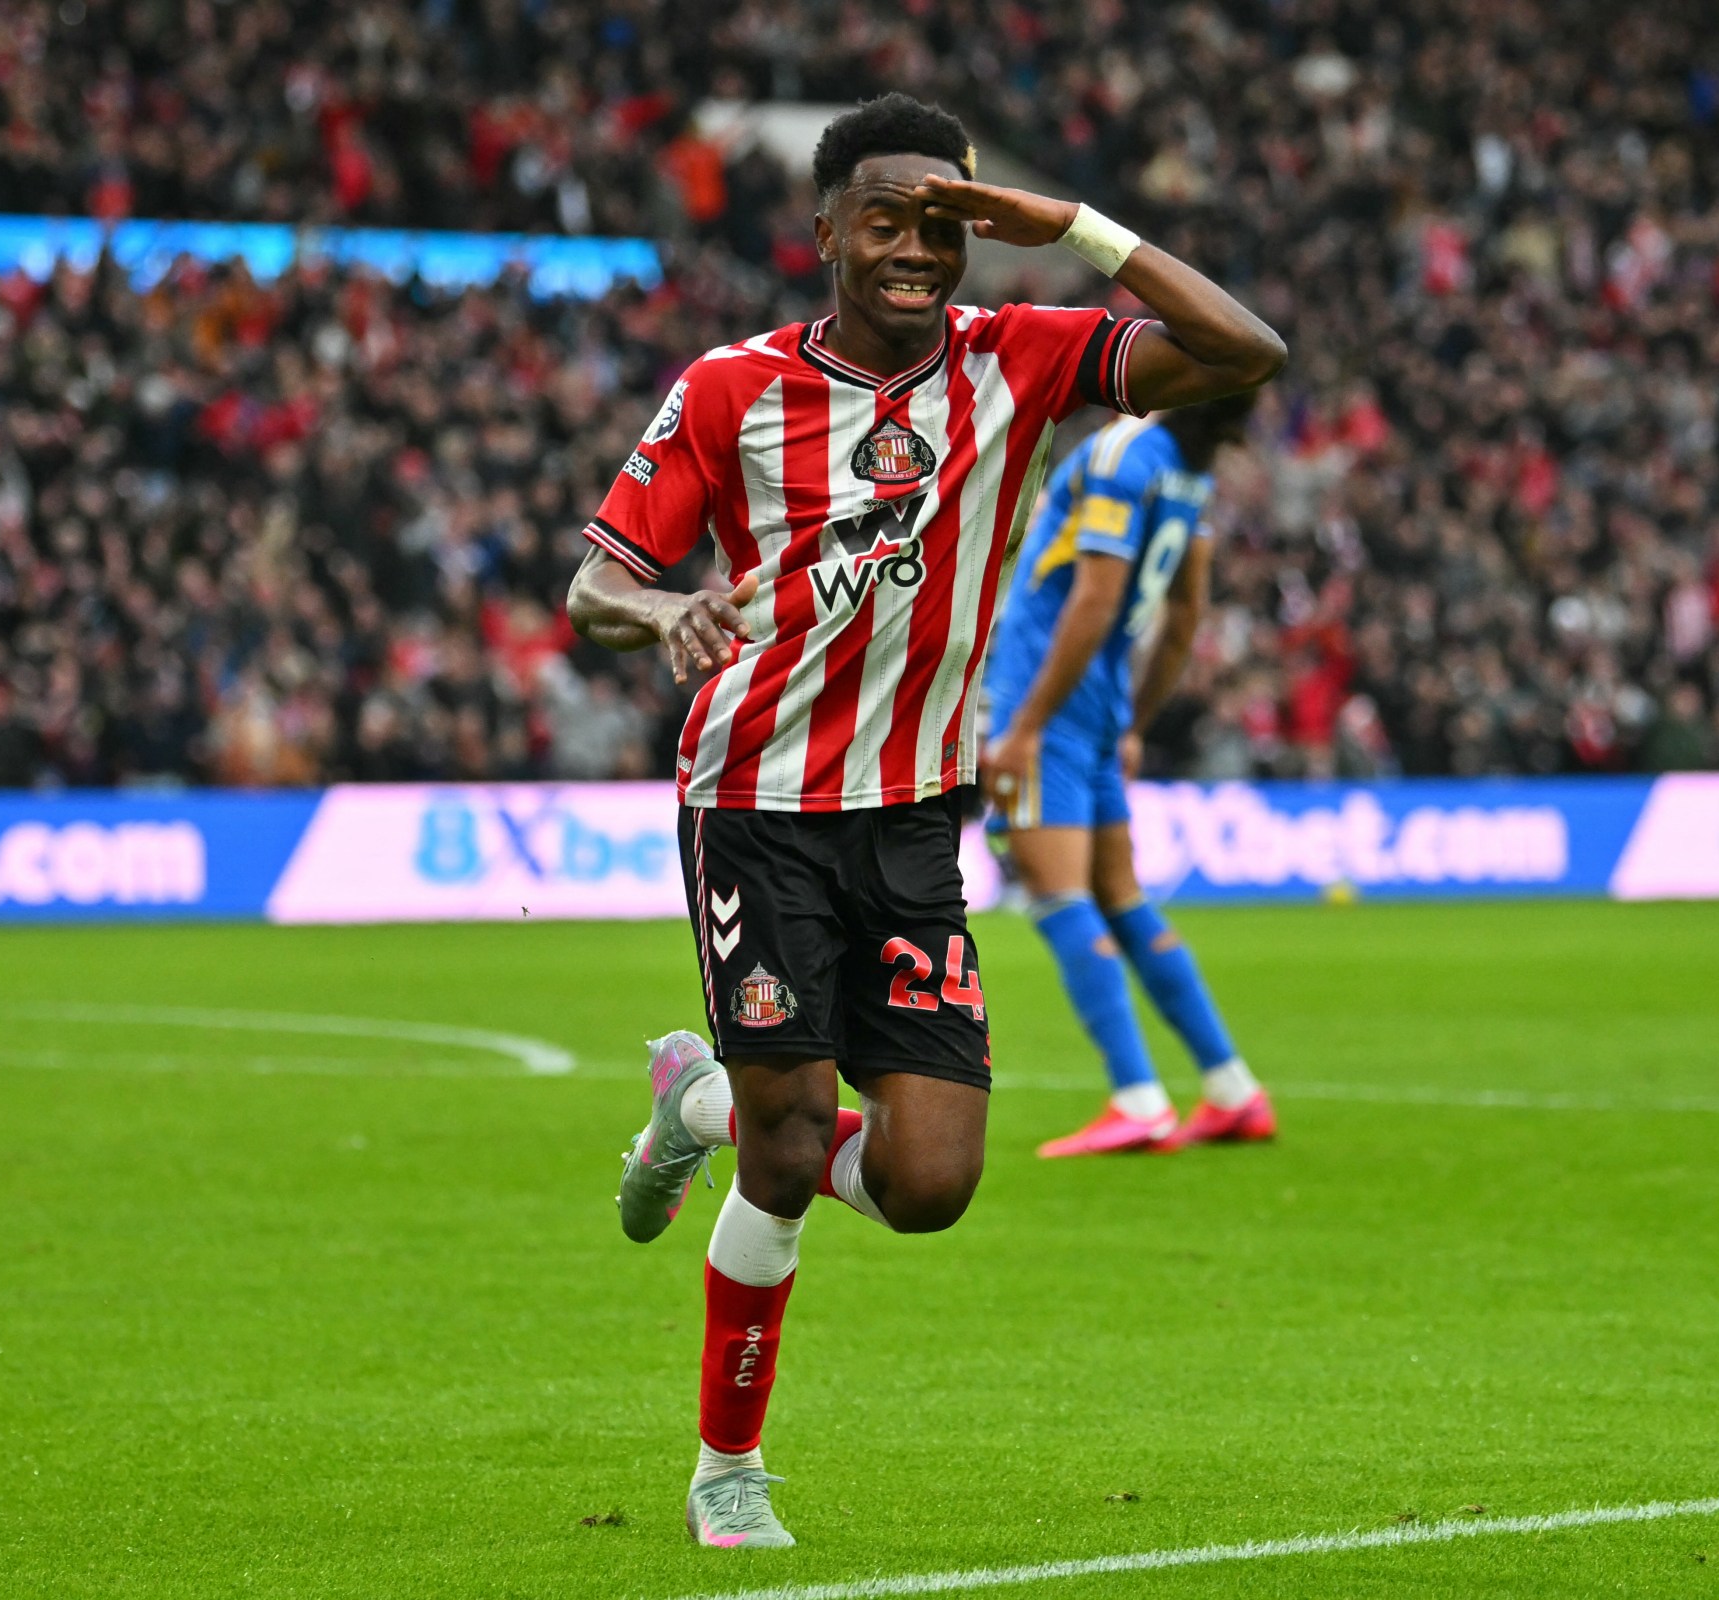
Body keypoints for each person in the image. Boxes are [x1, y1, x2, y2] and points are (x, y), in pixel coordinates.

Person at [565, 93, 1284, 1550]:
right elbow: (595, 589)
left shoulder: (1015, 360)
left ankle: (693, 1095)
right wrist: (667, 610)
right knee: (787, 1156)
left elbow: (1243, 353)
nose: (916, 251)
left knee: (932, 1183)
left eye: (943, 223)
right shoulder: (727, 389)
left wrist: (1072, 230)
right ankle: (727, 1469)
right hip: (755, 808)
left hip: (910, 821)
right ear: (823, 231)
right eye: (885, 220)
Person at [978, 396, 1276, 1156]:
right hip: (1102, 699)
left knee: (1057, 896)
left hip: (1046, 692)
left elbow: (1096, 593)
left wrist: (1026, 726)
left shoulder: (1123, 455)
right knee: (1120, 896)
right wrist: (1132, 721)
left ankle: (1138, 1097)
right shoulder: (1188, 472)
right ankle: (1232, 1087)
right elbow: (1184, 618)